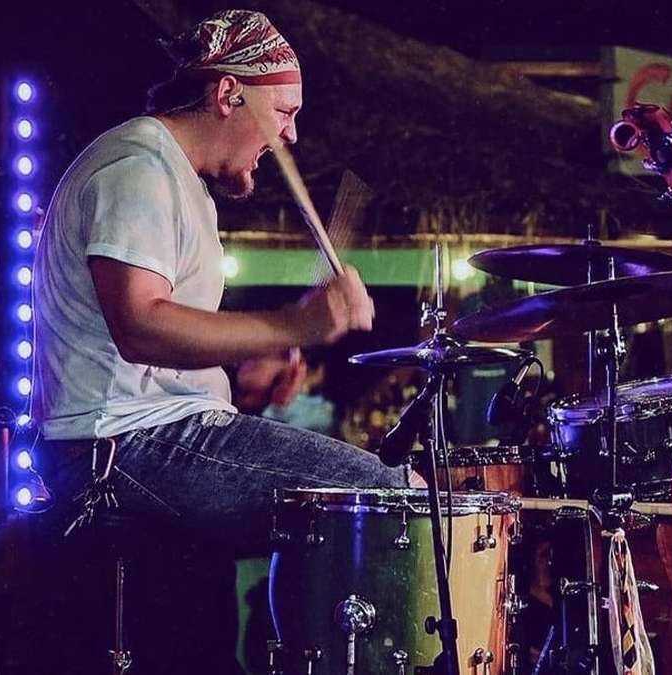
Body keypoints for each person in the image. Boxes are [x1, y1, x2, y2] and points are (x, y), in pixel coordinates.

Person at [27, 10, 411, 672]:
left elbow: (154, 347)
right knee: (384, 497)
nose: (289, 133)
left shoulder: (178, 182)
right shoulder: (138, 167)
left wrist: (259, 364)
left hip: (145, 432)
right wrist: (298, 325)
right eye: (283, 111)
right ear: (229, 94)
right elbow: (141, 324)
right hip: (122, 448)